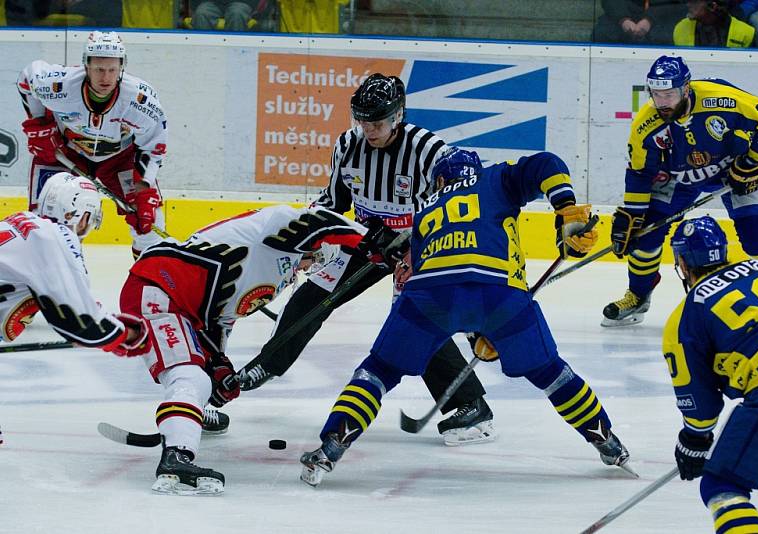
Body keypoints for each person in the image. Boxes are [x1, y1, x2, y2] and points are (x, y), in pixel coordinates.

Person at [298, 147, 635, 487]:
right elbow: (548, 163)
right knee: (552, 373)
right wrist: (566, 211)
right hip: (499, 295)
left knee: (378, 371)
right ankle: (606, 440)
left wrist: (475, 324)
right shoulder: (494, 178)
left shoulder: (426, 208)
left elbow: (433, 270)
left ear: (440, 179)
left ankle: (331, 445)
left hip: (430, 295)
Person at [237, 73, 499, 446]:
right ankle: (269, 362)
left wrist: (426, 240)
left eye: (376, 122)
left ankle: (471, 405)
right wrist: (309, 239)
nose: (368, 129)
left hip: (417, 244)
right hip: (365, 238)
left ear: (398, 115)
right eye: (362, 120)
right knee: (312, 296)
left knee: (415, 318)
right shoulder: (348, 144)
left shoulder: (426, 148)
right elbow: (333, 202)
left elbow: (463, 187)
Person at [115, 204, 373, 495]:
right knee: (189, 378)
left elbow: (218, 323)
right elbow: (317, 221)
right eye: (310, 261)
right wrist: (370, 240)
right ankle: (176, 458)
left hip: (179, 306)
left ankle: (185, 427)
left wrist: (219, 368)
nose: (305, 269)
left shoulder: (275, 279)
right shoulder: (272, 231)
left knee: (201, 377)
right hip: (157, 289)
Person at [602, 55, 758, 327]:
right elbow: (640, 173)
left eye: (669, 94)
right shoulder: (646, 125)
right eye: (656, 94)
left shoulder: (722, 99)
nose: (662, 102)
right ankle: (639, 295)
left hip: (733, 171)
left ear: (686, 88)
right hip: (680, 179)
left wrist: (751, 164)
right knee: (645, 234)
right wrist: (632, 214)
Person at [663, 215, 758, 534]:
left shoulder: (685, 318)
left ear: (682, 262)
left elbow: (700, 402)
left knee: (723, 486)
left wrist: (694, 439)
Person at [17, 31, 168, 258]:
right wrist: (40, 125)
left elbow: (153, 147)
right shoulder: (60, 84)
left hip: (120, 160)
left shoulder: (141, 101)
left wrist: (143, 190)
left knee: (150, 223)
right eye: (98, 69)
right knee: (47, 224)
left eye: (111, 69)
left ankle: (150, 285)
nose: (105, 78)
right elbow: (27, 78)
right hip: (64, 153)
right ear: (86, 66)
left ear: (121, 67)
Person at [0, 172, 141, 351]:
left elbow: (72, 298)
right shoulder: (56, 237)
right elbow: (81, 322)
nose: (87, 223)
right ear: (73, 213)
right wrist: (127, 335)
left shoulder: (22, 222)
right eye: (88, 215)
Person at [593, 0, 685, 45]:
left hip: (662, 18)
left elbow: (678, 4)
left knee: (665, 37)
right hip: (624, 16)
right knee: (602, 33)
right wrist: (623, 19)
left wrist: (650, 19)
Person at [673, 0, 756, 47]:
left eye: (694, 1)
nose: (688, 4)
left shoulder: (746, 33)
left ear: (712, 6)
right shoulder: (681, 28)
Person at [191, 0, 258, 31]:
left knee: (237, 14)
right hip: (210, 2)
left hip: (241, 1)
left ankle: (235, 52)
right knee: (201, 13)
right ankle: (204, 52)